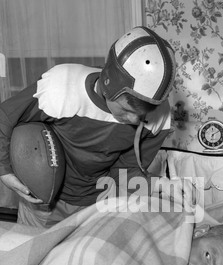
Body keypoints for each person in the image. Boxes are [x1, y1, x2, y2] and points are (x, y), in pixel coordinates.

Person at [0, 26, 183, 227]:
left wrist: (161, 185)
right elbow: (4, 119)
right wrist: (4, 171)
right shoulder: (61, 87)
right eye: (125, 109)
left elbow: (125, 173)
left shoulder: (159, 119)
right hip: (42, 202)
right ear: (107, 85)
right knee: (30, 256)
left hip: (97, 204)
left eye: (141, 115)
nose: (133, 120)